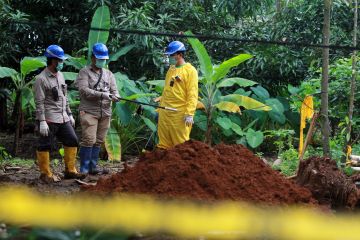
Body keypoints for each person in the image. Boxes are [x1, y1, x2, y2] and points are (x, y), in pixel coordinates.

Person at [34, 44, 85, 182]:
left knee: (72, 140)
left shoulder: (61, 75)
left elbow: (64, 96)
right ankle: (45, 174)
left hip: (62, 117)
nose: (61, 63)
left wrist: (69, 113)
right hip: (49, 118)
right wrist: (42, 121)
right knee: (45, 145)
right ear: (51, 60)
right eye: (59, 60)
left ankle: (70, 170)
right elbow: (39, 102)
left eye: (62, 60)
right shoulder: (41, 79)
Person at [76, 43, 120, 174]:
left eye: (103, 59)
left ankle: (93, 167)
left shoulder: (108, 74)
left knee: (99, 140)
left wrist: (116, 96)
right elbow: (83, 91)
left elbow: (114, 90)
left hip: (105, 112)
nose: (102, 61)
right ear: (93, 58)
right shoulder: (84, 72)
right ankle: (84, 169)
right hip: (89, 111)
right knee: (89, 139)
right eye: (99, 58)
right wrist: (102, 94)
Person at [157, 41, 198, 149]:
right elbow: (168, 89)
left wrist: (189, 113)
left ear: (179, 55)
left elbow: (192, 94)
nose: (169, 57)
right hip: (165, 112)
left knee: (181, 144)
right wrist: (161, 102)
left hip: (179, 114)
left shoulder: (190, 71)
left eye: (172, 55)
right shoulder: (171, 70)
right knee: (164, 142)